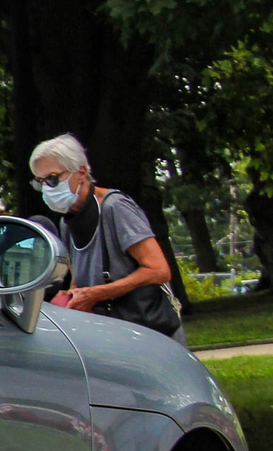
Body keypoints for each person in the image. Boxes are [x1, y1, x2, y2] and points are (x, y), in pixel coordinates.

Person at [26, 134, 185, 343]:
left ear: (81, 172)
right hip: (111, 335)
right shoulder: (67, 222)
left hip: (150, 334)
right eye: (40, 182)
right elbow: (79, 278)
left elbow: (159, 270)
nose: (47, 188)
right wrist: (70, 296)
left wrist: (98, 293)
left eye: (53, 178)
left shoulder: (114, 207)